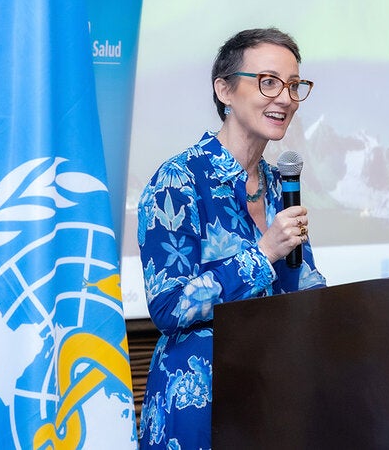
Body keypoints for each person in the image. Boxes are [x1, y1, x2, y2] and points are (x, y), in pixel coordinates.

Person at [136, 27, 327, 449]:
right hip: (199, 408)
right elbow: (169, 306)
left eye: (294, 86)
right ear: (224, 89)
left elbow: (305, 289)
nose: (285, 98)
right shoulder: (178, 180)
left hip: (270, 399)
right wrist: (262, 255)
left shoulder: (282, 184)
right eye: (269, 82)